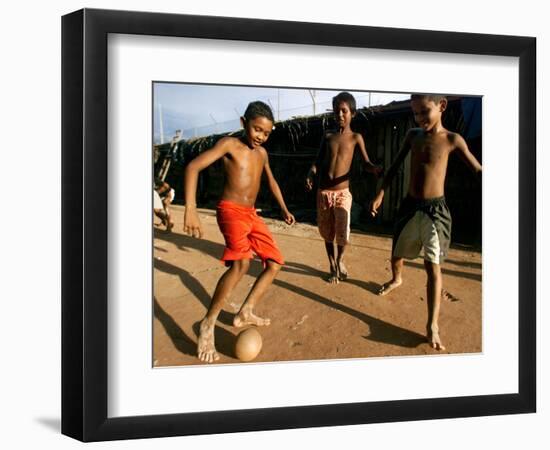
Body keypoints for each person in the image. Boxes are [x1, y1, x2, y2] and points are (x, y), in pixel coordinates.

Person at [183, 101, 295, 363]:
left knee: (276, 262)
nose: (261, 137)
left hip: (251, 214)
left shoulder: (263, 154)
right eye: (257, 129)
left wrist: (284, 208)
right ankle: (208, 323)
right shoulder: (229, 145)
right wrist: (190, 207)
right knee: (241, 264)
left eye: (266, 133)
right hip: (230, 210)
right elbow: (192, 167)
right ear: (244, 123)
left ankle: (245, 311)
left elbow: (271, 181)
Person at [369, 94, 482, 351]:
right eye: (415, 113)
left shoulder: (453, 140)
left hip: (435, 212)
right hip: (410, 206)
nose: (419, 118)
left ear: (441, 106)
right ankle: (397, 278)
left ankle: (432, 324)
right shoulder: (413, 136)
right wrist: (380, 191)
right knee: (396, 254)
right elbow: (396, 165)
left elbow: (477, 169)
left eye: (424, 111)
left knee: (433, 267)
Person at [305, 92, 380, 283]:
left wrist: (374, 169)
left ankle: (340, 259)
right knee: (327, 232)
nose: (339, 115)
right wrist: (311, 173)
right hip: (323, 192)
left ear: (352, 113)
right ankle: (332, 266)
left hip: (343, 193)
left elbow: (365, 163)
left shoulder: (356, 137)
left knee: (342, 231)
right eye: (337, 111)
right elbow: (317, 161)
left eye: (344, 111)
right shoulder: (327, 136)